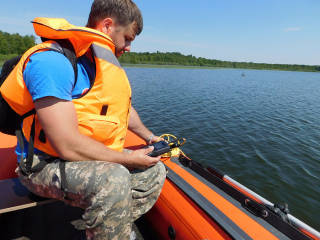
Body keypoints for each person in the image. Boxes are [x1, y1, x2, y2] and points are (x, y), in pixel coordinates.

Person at [0, 0, 166, 239]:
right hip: (42, 165)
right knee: (114, 178)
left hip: (79, 159)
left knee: (154, 170)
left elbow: (123, 111)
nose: (128, 47)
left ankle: (112, 227)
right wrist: (126, 160)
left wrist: (150, 138)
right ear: (107, 26)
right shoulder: (52, 61)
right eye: (128, 38)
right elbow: (66, 145)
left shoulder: (99, 63)